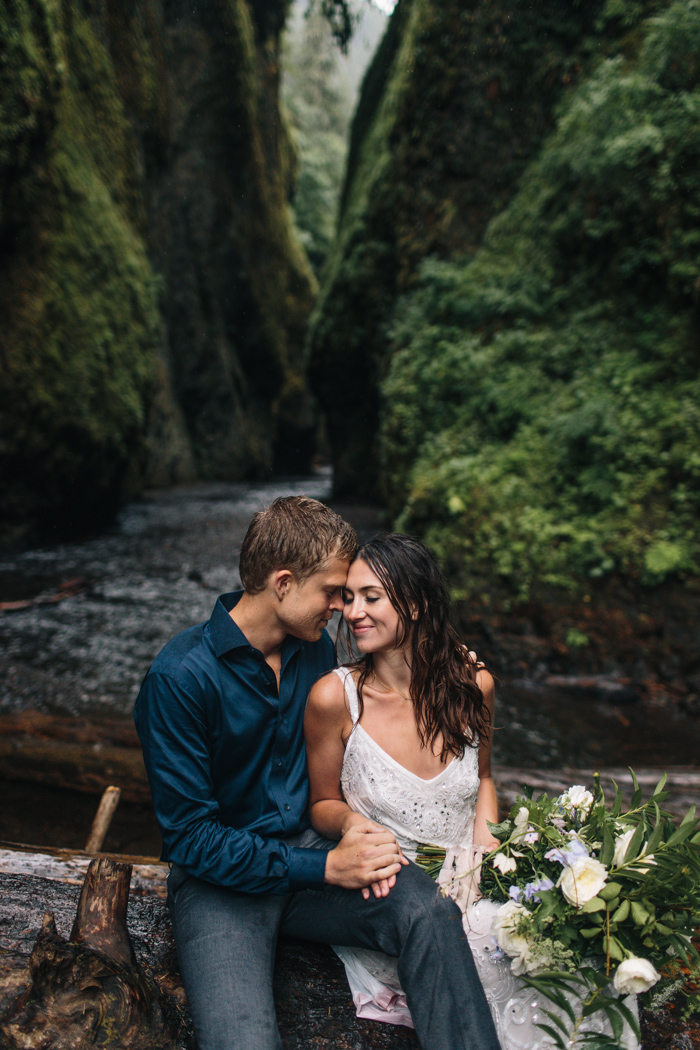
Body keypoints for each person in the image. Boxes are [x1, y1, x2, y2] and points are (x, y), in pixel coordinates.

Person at [134, 496, 502, 1050]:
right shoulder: (179, 678)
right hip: (222, 887)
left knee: (427, 910)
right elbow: (191, 840)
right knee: (241, 1041)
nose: (343, 609)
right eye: (333, 591)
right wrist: (326, 865)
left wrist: (448, 664)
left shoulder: (312, 650)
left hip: (312, 856)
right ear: (283, 583)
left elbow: (388, 679)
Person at [304, 534, 639, 1049]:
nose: (353, 611)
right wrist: (351, 825)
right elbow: (322, 803)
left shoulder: (474, 684)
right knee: (500, 948)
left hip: (475, 877)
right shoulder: (334, 698)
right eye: (349, 597)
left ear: (414, 603)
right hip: (393, 892)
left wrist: (489, 851)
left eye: (371, 597)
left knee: (582, 947)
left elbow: (482, 779)